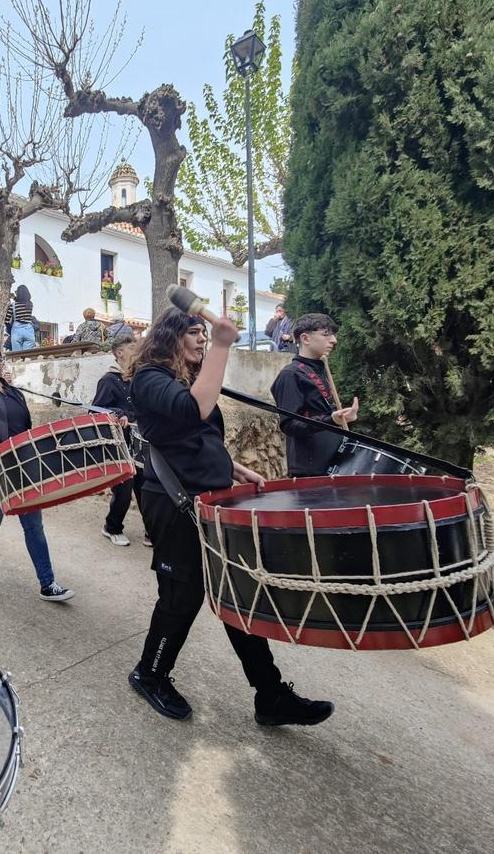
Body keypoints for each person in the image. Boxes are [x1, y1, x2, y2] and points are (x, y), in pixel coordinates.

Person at [127, 306, 334, 727]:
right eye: (194, 333)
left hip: (208, 494)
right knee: (181, 597)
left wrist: (232, 467)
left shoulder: (186, 379)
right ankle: (150, 673)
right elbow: (193, 412)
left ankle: (270, 694)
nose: (203, 339)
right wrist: (223, 343)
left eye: (206, 335)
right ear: (170, 337)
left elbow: (197, 436)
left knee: (238, 595)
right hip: (172, 501)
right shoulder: (149, 377)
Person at [0, 342, 73, 601]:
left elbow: (25, 426)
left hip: (22, 465)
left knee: (34, 526)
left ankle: (48, 583)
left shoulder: (14, 392)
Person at [269, 313, 358, 477]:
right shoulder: (290, 375)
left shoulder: (321, 369)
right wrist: (330, 420)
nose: (334, 340)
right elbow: (290, 425)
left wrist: (341, 418)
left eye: (333, 334)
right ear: (305, 338)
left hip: (333, 466)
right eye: (326, 334)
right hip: (310, 472)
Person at [92, 335, 150, 548]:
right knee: (124, 491)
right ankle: (112, 527)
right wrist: (119, 413)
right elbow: (95, 410)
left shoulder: (137, 378)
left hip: (141, 445)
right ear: (119, 352)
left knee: (146, 489)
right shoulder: (109, 379)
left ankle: (151, 531)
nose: (137, 350)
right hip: (120, 445)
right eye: (132, 347)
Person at [5, 285, 37, 351]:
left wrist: (10, 330)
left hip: (16, 331)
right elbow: (22, 300)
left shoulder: (13, 305)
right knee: (26, 355)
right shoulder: (30, 304)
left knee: (18, 355)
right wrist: (14, 297)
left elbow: (7, 320)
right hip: (28, 330)